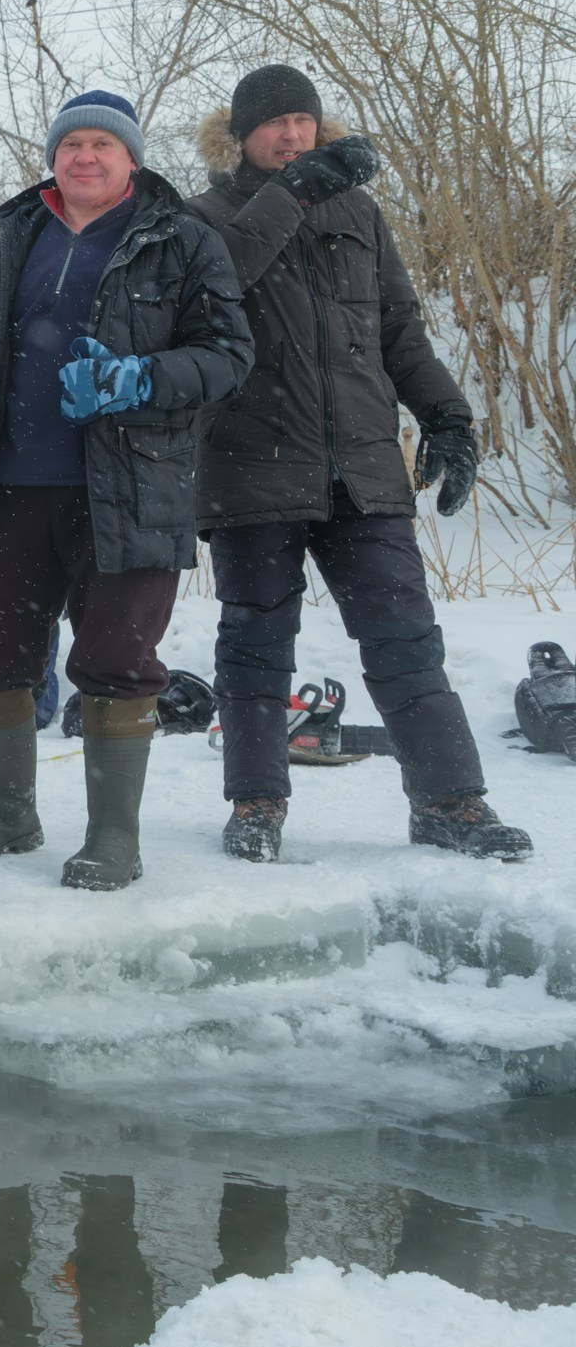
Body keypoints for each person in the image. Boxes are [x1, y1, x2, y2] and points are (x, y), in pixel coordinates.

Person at [188, 65, 531, 863]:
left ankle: (451, 801)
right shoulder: (203, 215)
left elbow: (401, 331)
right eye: (275, 124)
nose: (293, 135)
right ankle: (257, 803)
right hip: (252, 467)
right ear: (240, 136)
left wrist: (447, 415)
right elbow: (217, 290)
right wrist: (293, 195)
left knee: (407, 638)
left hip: (364, 469)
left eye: (304, 121)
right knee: (254, 648)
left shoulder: (360, 213)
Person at [0, 93, 252, 888]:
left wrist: (137, 377)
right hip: (14, 486)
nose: (85, 157)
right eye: (71, 143)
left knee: (116, 658)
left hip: (131, 489)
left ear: (132, 160)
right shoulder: (17, 240)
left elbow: (229, 356)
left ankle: (114, 836)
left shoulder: (183, 240)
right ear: (52, 157)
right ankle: (8, 813)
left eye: (103, 145)